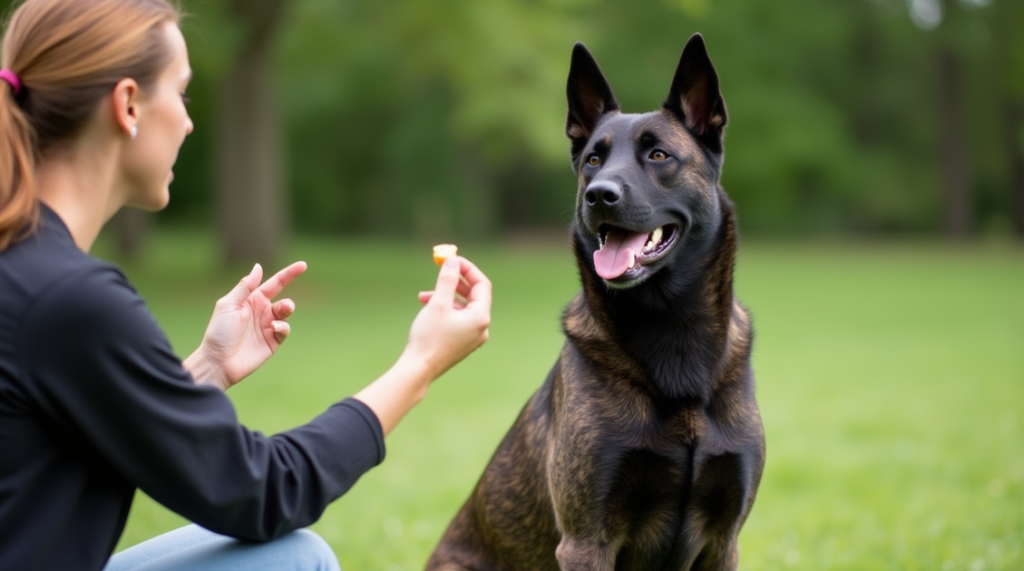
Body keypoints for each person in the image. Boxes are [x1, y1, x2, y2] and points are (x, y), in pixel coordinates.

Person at [0, 0, 493, 570]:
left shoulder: (31, 275)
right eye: (181, 94)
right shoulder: (67, 300)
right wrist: (420, 363)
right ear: (128, 104)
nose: (188, 121)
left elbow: (70, 430)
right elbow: (265, 493)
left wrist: (204, 371)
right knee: (292, 561)